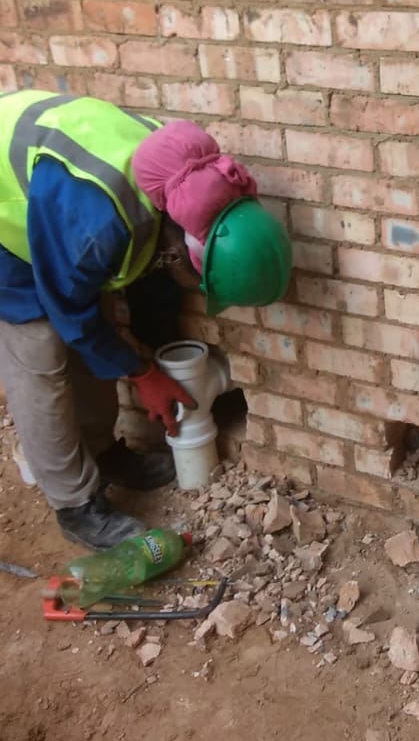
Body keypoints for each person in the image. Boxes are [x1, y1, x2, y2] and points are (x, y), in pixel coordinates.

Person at [0, 91, 292, 551]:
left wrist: (145, 358)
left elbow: (133, 296)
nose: (198, 291)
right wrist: (143, 373)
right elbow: (71, 315)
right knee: (42, 351)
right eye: (200, 283)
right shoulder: (99, 228)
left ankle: (101, 453)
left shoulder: (180, 185)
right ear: (177, 250)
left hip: (52, 193)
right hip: (10, 210)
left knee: (94, 325)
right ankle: (74, 505)